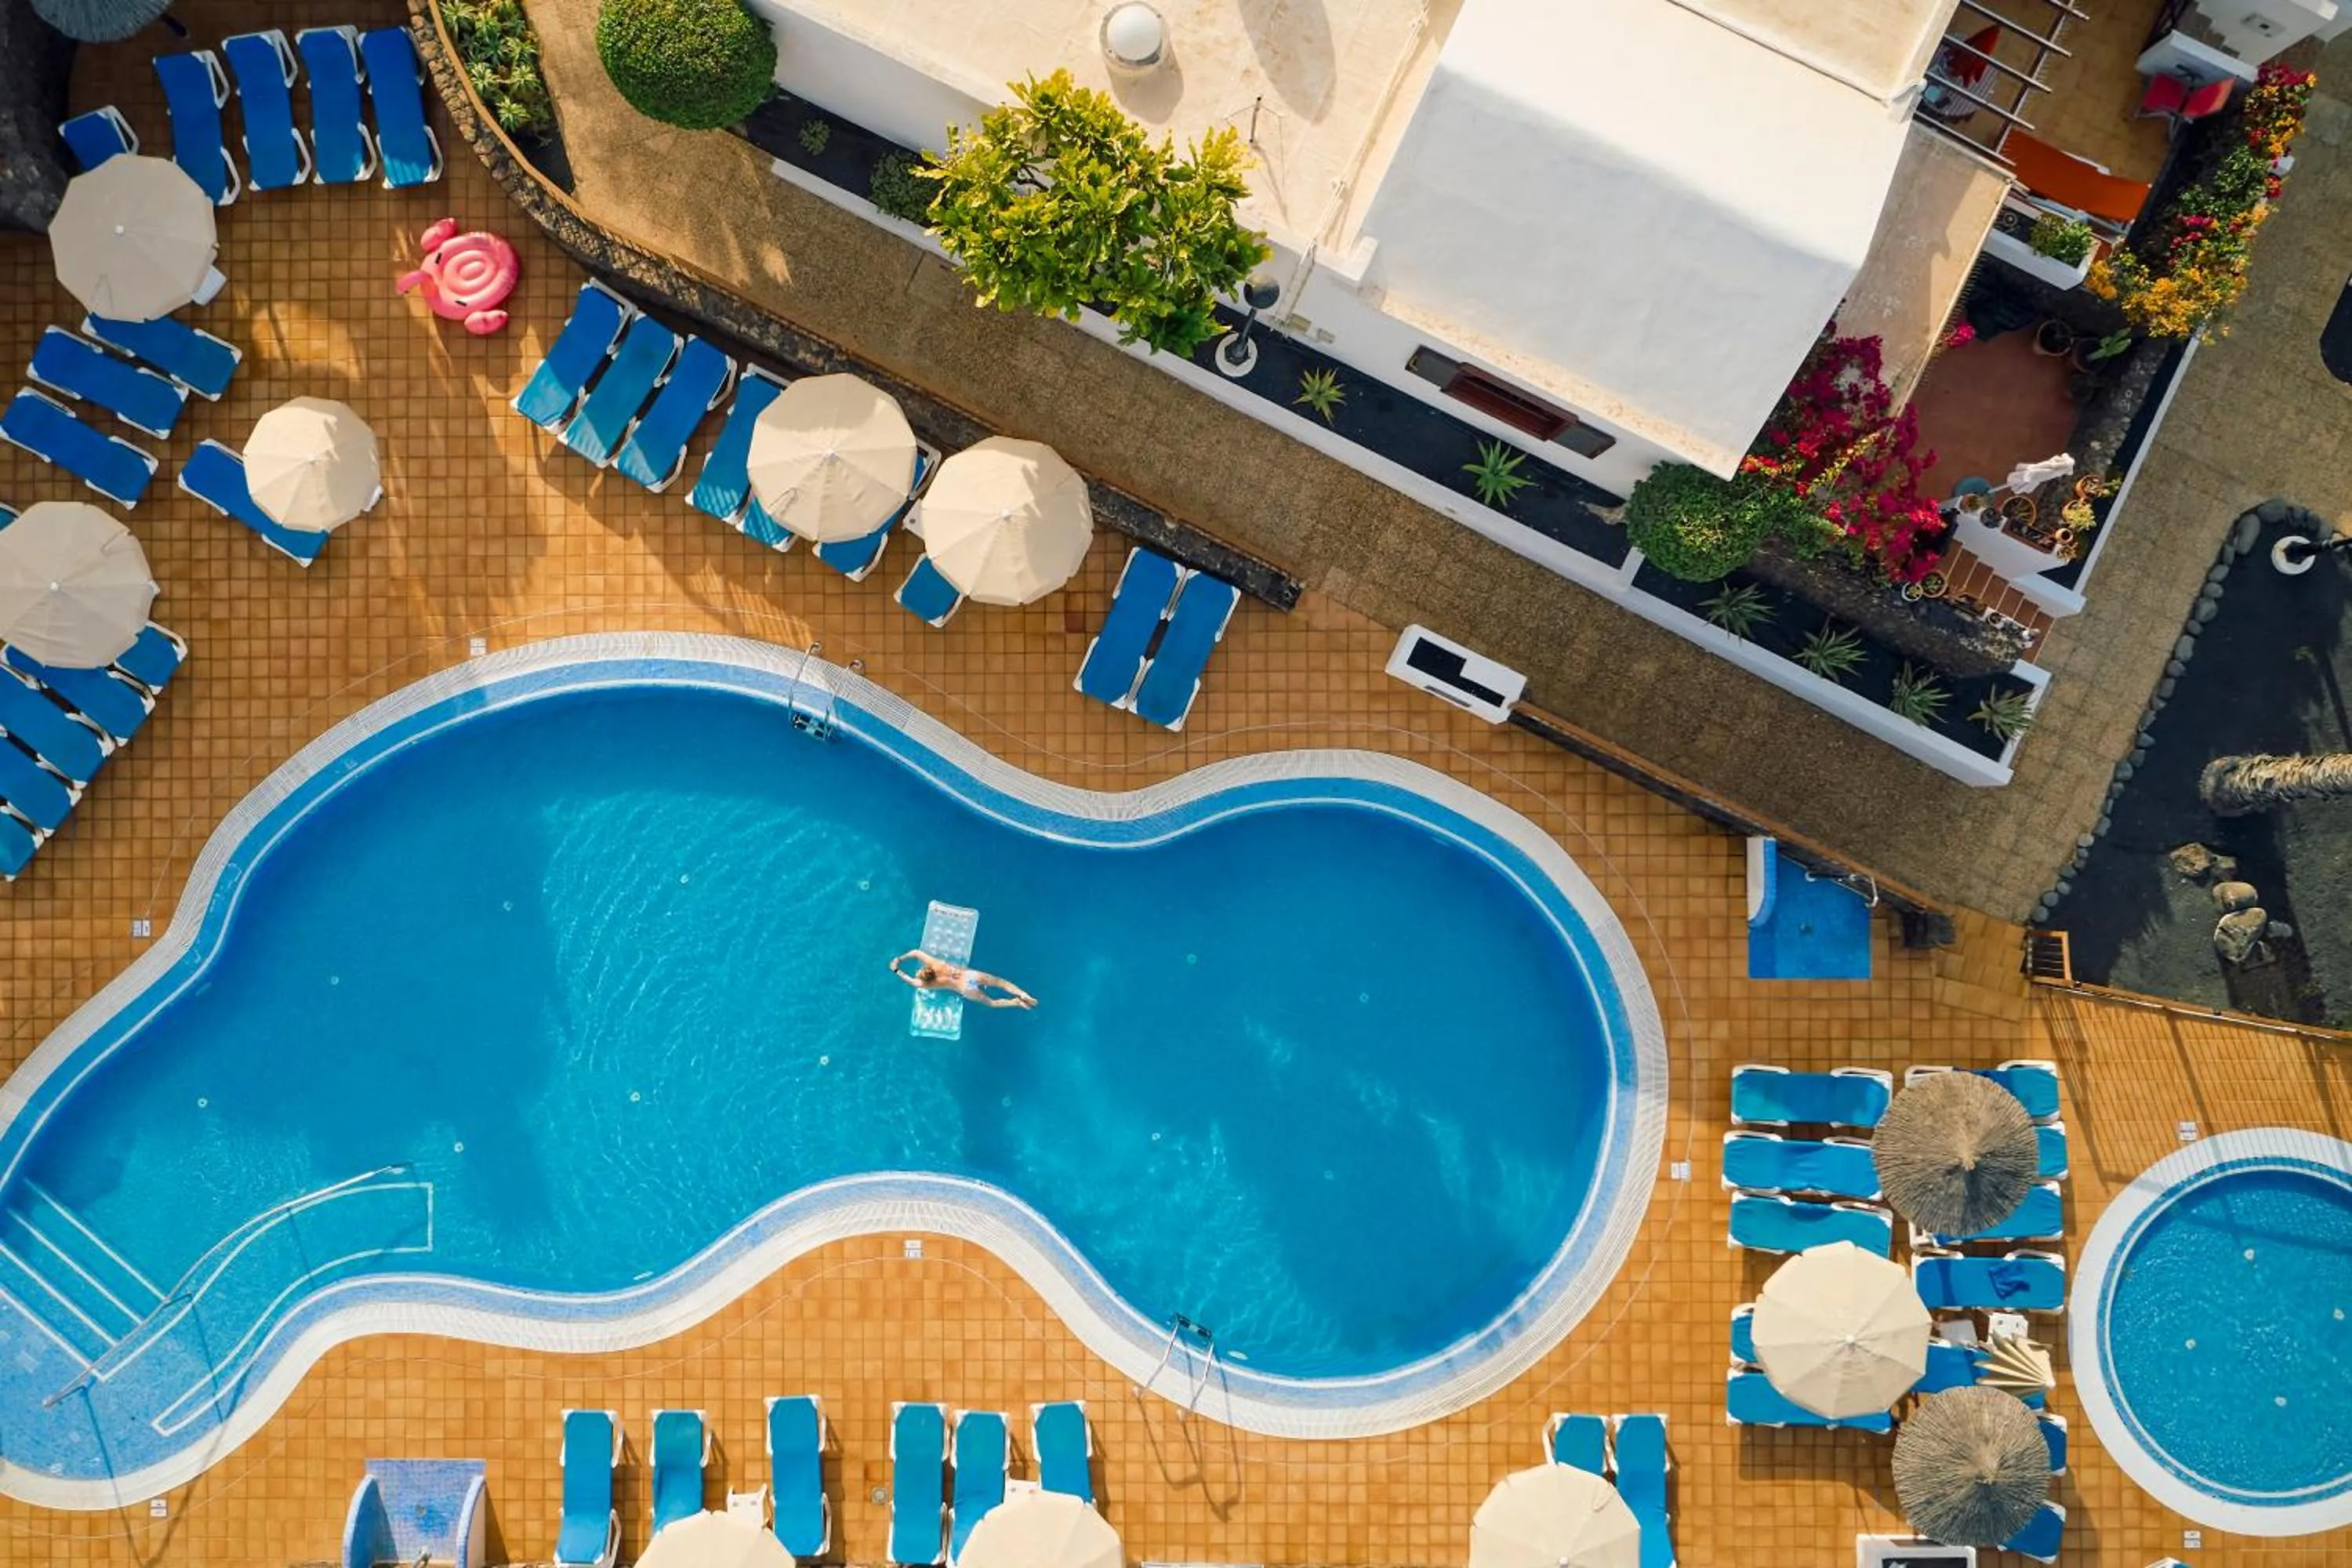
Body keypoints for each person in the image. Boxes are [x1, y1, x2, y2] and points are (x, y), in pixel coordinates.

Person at [891, 949, 1037, 1009]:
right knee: (1001, 983)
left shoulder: (927, 984)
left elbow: (910, 981)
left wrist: (896, 971)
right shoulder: (935, 964)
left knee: (992, 1003)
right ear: (925, 969)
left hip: (966, 989)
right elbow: (916, 952)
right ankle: (1023, 994)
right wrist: (899, 959)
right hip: (970, 976)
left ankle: (1016, 1003)